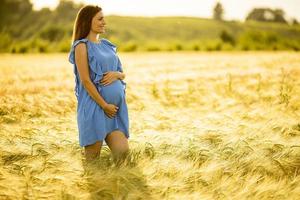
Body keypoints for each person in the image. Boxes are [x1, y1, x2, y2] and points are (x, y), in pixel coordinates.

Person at [68, 5, 130, 163]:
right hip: (96, 108)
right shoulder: (81, 46)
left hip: (114, 112)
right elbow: (86, 81)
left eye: (104, 18)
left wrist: (116, 74)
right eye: (100, 19)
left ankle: (115, 188)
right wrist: (104, 105)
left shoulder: (106, 45)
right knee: (92, 162)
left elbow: (122, 74)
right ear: (88, 21)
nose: (104, 22)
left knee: (123, 157)